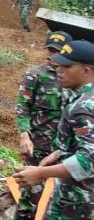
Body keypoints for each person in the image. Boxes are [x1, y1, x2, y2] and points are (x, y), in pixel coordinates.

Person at [13, 40, 94, 219]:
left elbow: (89, 159)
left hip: (79, 202)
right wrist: (58, 154)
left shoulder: (85, 106)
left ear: (85, 70)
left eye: (66, 66)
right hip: (69, 191)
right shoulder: (83, 96)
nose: (59, 70)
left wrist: (41, 173)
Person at [15, 31, 72, 220]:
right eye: (51, 50)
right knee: (31, 196)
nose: (54, 55)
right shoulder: (35, 75)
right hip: (39, 147)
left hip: (66, 149)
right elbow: (23, 106)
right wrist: (24, 135)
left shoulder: (74, 79)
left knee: (63, 198)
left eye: (59, 51)